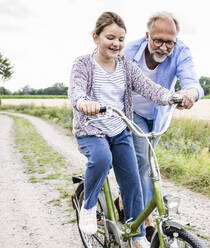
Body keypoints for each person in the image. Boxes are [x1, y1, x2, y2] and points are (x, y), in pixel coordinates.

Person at [68, 11, 183, 248]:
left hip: (119, 129)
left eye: (121, 39)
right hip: (91, 129)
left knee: (133, 181)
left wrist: (170, 97)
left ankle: (136, 231)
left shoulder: (126, 66)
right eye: (110, 37)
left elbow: (148, 87)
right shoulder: (83, 64)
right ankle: (88, 207)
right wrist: (83, 104)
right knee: (101, 158)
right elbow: (76, 91)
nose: (116, 44)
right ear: (95, 37)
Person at [121, 11, 204, 240]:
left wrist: (189, 93)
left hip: (158, 115)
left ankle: (128, 204)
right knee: (143, 162)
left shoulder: (181, 51)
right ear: (147, 36)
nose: (164, 47)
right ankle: (139, 227)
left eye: (170, 42)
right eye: (158, 40)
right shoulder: (128, 52)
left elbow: (193, 83)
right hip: (132, 112)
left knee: (146, 166)